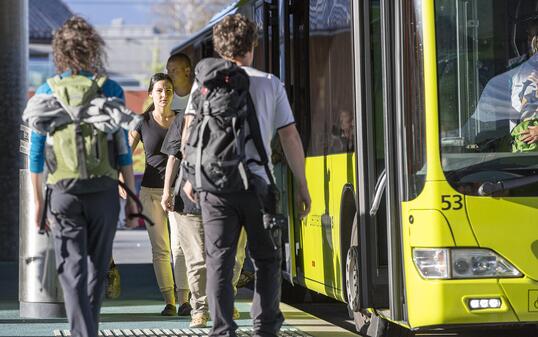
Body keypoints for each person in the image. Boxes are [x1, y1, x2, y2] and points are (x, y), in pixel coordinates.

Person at [181, 14, 311, 337]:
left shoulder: (204, 83)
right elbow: (290, 136)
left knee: (219, 261)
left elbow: (189, 134)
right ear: (252, 46)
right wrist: (302, 184)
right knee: (266, 259)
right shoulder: (269, 83)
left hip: (214, 187)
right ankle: (265, 328)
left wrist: (189, 176)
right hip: (258, 185)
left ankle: (223, 329)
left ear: (220, 47)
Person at [25, 16, 138, 337]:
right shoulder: (111, 89)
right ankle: (88, 331)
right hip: (103, 191)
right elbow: (123, 153)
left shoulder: (47, 91)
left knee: (70, 269)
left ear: (60, 53)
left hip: (62, 193)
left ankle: (82, 333)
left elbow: (35, 154)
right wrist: (130, 200)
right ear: (93, 51)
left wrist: (38, 203)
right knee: (96, 268)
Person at [160, 53, 248, 327]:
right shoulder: (185, 117)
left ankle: (224, 300)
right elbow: (175, 154)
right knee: (199, 257)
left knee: (231, 254)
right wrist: (167, 191)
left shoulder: (242, 110)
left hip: (230, 191)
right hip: (192, 197)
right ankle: (200, 307)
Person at [129, 73, 183, 317]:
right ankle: (170, 301)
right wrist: (122, 180)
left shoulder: (182, 120)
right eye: (159, 90)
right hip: (150, 192)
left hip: (179, 192)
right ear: (151, 93)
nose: (164, 95)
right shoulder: (141, 122)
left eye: (169, 90)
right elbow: (124, 154)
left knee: (180, 247)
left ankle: (186, 301)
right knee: (161, 248)